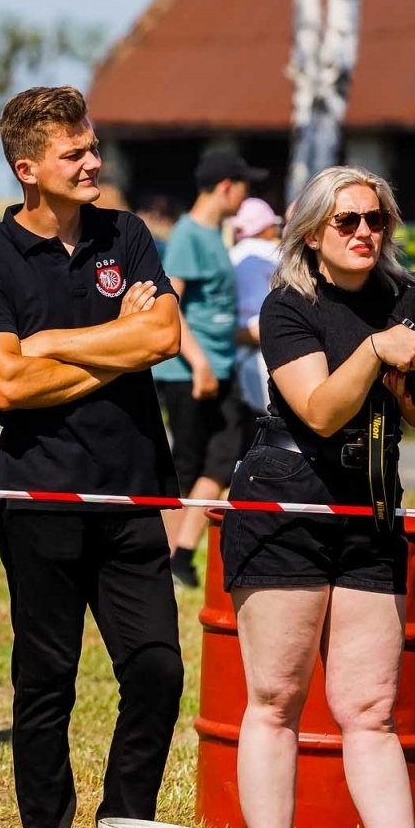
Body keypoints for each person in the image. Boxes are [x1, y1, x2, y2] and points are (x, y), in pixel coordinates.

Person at [0, 87, 184, 828]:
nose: (93, 163)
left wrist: (54, 343)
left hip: (132, 496)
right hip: (43, 500)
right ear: (28, 169)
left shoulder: (127, 233)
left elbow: (164, 335)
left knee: (157, 671)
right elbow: (8, 386)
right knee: (45, 682)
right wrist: (111, 344)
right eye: (74, 154)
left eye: (93, 148)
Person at [220, 165, 415, 828]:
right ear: (313, 231)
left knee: (371, 708)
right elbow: (317, 410)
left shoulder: (410, 295)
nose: (364, 233)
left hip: (371, 509)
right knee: (277, 699)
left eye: (376, 220)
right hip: (285, 502)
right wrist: (378, 352)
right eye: (347, 221)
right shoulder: (291, 302)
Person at [154, 150, 264, 589]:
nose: (246, 194)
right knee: (186, 466)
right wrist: (198, 363)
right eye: (244, 185)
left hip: (221, 369)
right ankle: (162, 561)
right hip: (189, 374)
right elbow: (169, 304)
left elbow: (215, 310)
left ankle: (182, 554)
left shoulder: (215, 236)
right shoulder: (188, 235)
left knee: (221, 461)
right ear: (225, 186)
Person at [230, 196, 284, 421]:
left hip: (236, 349)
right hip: (267, 345)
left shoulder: (231, 255)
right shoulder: (273, 253)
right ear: (267, 227)